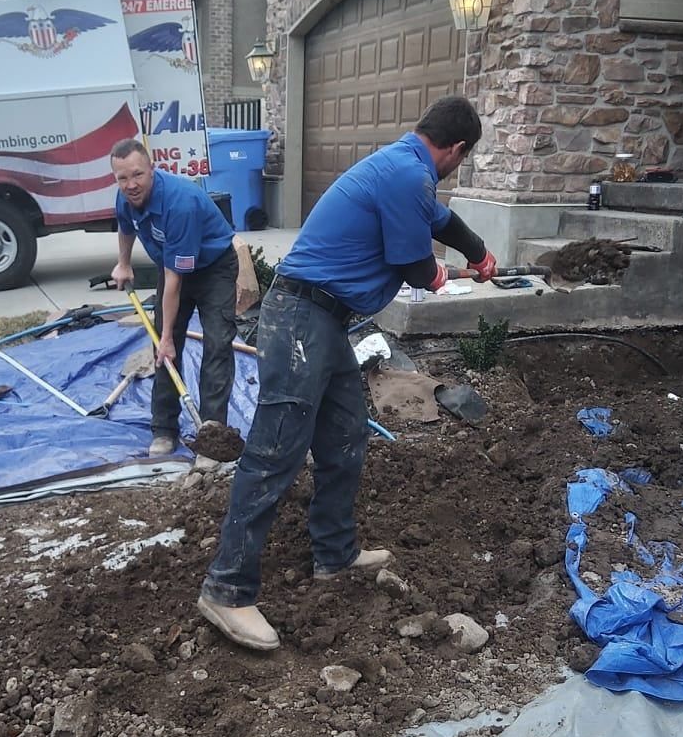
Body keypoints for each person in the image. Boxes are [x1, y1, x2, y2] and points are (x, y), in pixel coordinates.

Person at [196, 95, 498, 650]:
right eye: (463, 157)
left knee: (345, 436)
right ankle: (227, 588)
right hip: (299, 318)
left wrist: (480, 255)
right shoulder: (408, 175)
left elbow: (443, 221)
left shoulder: (406, 171)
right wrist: (441, 276)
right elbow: (414, 266)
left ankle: (334, 554)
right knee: (275, 451)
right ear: (456, 149)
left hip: (327, 321)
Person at [107, 138, 238, 457]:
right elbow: (126, 226)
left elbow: (174, 280)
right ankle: (164, 429)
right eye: (122, 178)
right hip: (173, 267)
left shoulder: (179, 203)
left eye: (137, 175)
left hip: (213, 268)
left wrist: (167, 336)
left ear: (152, 169)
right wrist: (123, 263)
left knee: (217, 343)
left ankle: (212, 434)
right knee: (163, 349)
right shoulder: (126, 196)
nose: (131, 185)